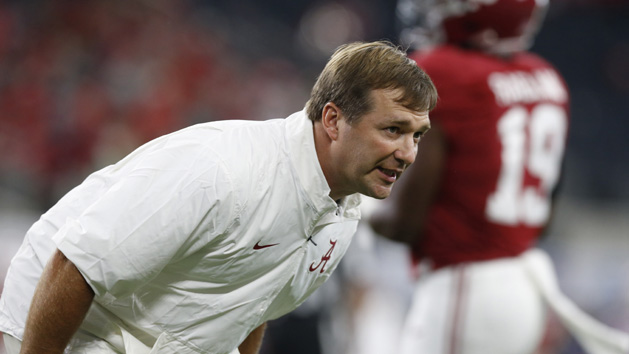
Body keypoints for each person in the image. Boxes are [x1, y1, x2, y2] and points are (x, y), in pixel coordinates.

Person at [0, 40, 437, 354]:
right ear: (333, 120)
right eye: (393, 129)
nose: (408, 153)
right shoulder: (222, 171)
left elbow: (254, 306)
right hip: (81, 328)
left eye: (417, 135)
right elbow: (76, 263)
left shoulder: (342, 212)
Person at [370, 1, 629, 354]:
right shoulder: (545, 77)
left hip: (465, 285)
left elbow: (400, 223)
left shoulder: (444, 73)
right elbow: (544, 215)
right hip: (524, 282)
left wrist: (353, 205)